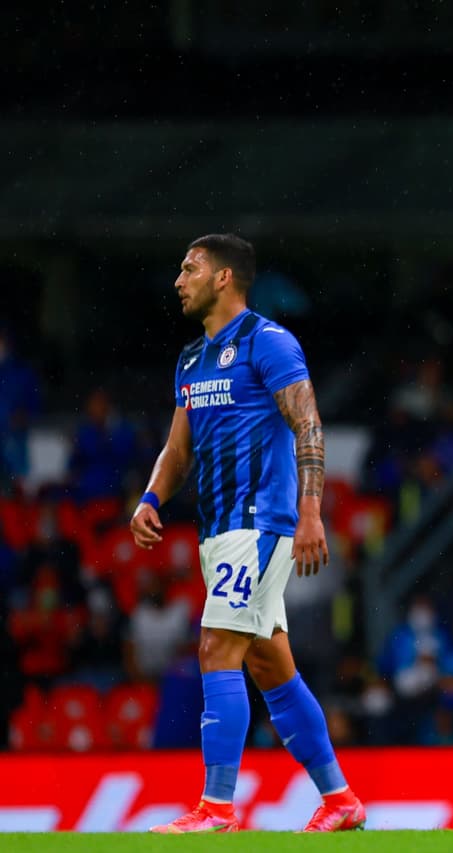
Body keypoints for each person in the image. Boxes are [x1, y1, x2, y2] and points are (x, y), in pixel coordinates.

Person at [130, 234, 364, 833]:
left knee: (216, 646)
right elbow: (178, 449)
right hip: (217, 530)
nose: (179, 281)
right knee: (269, 664)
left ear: (224, 277)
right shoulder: (191, 359)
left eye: (190, 269)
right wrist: (152, 497)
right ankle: (340, 800)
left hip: (259, 522)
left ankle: (217, 807)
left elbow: (308, 425)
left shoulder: (268, 341)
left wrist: (310, 512)